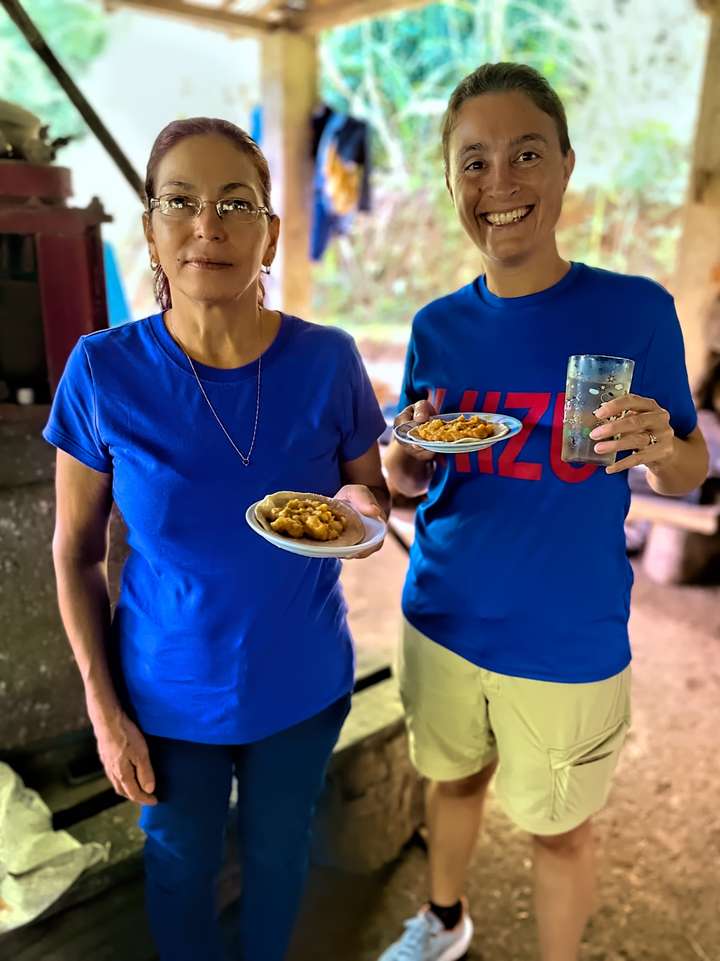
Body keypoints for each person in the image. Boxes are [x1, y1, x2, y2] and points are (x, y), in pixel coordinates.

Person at [378, 63, 709, 961]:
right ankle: (443, 920)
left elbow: (688, 469)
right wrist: (403, 460)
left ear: (565, 165)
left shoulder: (635, 312)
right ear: (451, 184)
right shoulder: (437, 327)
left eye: (525, 154)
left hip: (567, 636)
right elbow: (410, 473)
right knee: (449, 783)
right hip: (440, 614)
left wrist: (661, 447)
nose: (500, 184)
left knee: (560, 828)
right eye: (473, 162)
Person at [43, 117, 389, 961]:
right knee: (178, 864)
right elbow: (75, 550)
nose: (210, 224)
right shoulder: (102, 370)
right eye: (181, 202)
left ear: (269, 230)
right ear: (153, 229)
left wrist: (360, 508)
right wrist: (101, 703)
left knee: (279, 860)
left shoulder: (328, 359)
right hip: (165, 695)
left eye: (237, 202)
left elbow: (366, 490)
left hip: (301, 686)